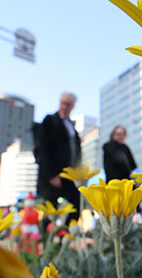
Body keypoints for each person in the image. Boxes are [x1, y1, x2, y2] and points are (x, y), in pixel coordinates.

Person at [34, 92, 81, 225]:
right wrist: (51, 174)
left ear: (73, 107)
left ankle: (65, 238)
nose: (65, 107)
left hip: (70, 176)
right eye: (63, 103)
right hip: (53, 176)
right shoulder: (49, 120)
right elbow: (42, 148)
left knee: (76, 206)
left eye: (68, 104)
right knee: (50, 211)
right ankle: (46, 241)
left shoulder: (72, 127)